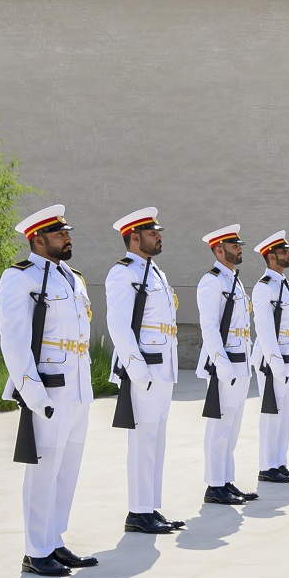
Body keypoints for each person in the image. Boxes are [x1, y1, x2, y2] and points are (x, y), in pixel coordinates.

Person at [0, 205, 96, 576]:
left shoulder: (74, 277)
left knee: (67, 470)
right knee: (43, 470)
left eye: (66, 232)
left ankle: (55, 540)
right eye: (59, 234)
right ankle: (36, 550)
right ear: (37, 240)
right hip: (49, 390)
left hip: (79, 388)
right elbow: (14, 339)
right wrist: (32, 393)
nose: (68, 238)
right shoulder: (19, 277)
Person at [105, 208, 186, 534]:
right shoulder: (123, 273)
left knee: (156, 440)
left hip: (163, 370)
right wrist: (137, 372)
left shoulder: (156, 273)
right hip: (145, 372)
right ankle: (138, 512)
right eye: (153, 233)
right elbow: (119, 326)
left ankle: (151, 507)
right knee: (142, 441)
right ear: (134, 237)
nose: (159, 237)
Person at [196, 225, 257, 505]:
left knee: (232, 428)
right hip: (225, 366)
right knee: (219, 427)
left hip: (241, 364)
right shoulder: (212, 281)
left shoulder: (234, 279)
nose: (240, 249)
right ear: (219, 250)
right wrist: (221, 365)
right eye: (234, 246)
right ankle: (214, 485)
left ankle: (226, 481)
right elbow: (209, 327)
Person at [250, 231, 289, 484]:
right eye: (284, 252)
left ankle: (280, 461)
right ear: (271, 256)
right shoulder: (264, 287)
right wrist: (275, 362)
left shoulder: (284, 283)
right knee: (272, 413)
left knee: (286, 413)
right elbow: (263, 329)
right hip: (274, 360)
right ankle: (267, 465)